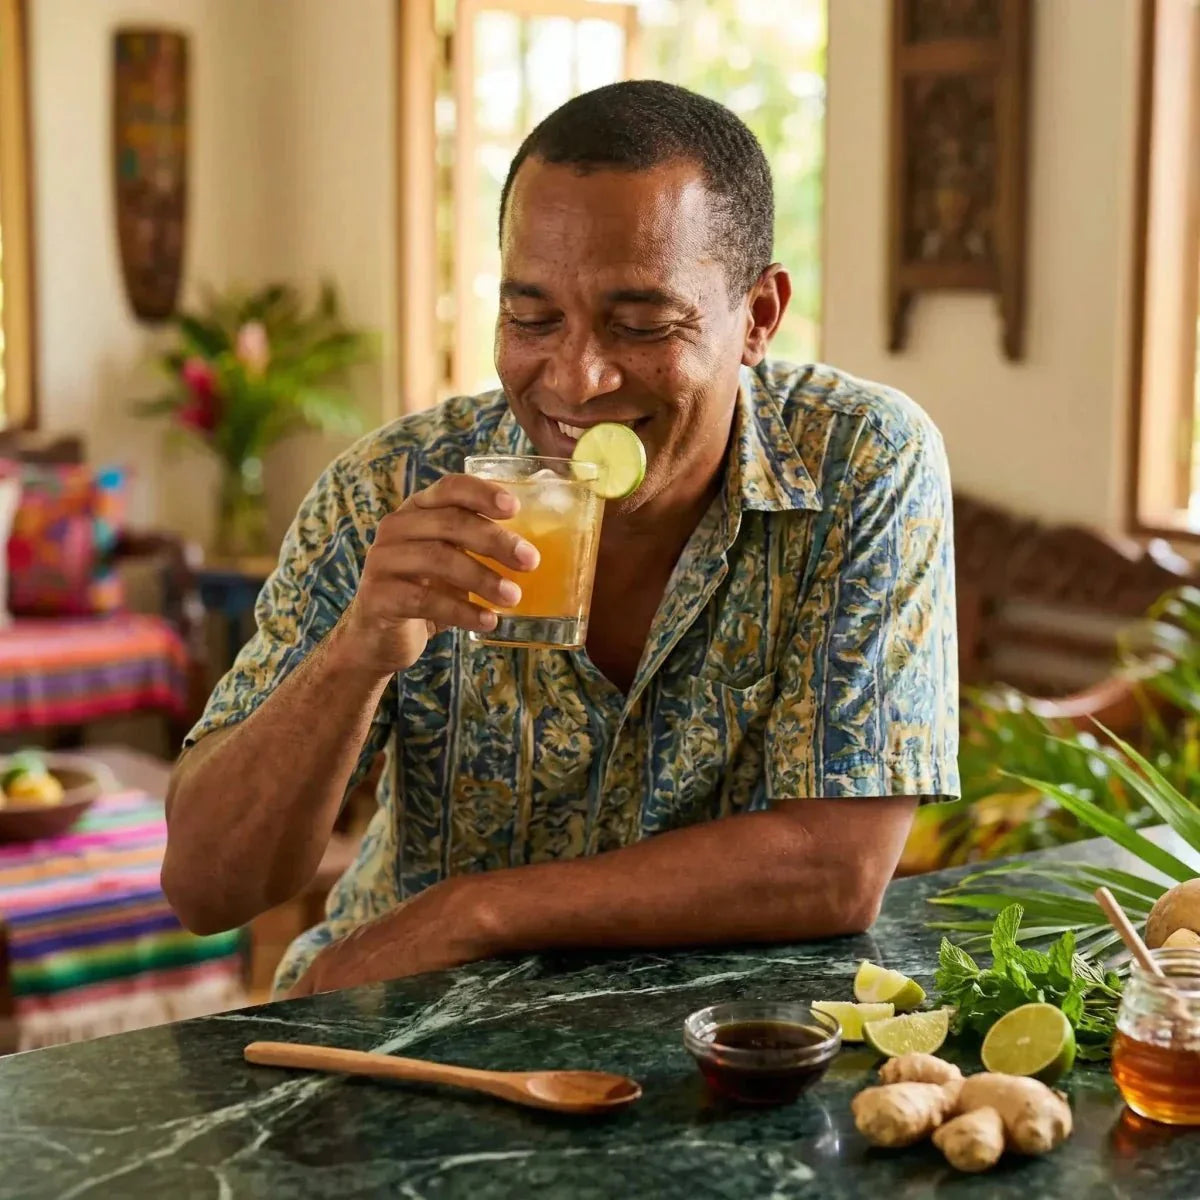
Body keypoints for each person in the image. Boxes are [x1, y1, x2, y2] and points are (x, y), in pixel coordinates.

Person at [163, 80, 959, 998]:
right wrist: (354, 655)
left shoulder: (860, 460)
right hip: (404, 1030)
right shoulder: (386, 488)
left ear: (759, 317)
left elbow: (836, 866)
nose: (576, 382)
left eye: (643, 324)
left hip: (726, 1045)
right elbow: (206, 889)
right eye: (531, 319)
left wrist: (473, 914)